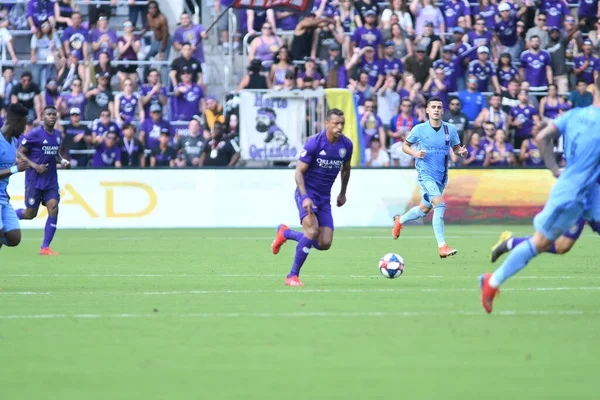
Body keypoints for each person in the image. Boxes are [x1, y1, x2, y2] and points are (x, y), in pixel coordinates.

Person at [480, 80, 600, 313]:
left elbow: (543, 136)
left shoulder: (574, 114)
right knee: (543, 242)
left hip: (589, 191)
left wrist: (555, 170)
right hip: (572, 195)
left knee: (559, 245)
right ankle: (491, 282)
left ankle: (507, 251)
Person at [270, 109, 353, 287]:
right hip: (307, 193)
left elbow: (346, 169)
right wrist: (305, 196)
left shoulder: (346, 145)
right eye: (336, 124)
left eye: (342, 124)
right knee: (312, 231)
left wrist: (343, 192)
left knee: (324, 243)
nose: (339, 127)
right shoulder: (314, 143)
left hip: (324, 198)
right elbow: (299, 172)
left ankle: (285, 233)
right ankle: (292, 276)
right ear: (327, 124)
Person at [391, 96, 468, 258]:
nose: (436, 110)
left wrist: (461, 152)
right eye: (433, 107)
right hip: (425, 175)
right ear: (427, 110)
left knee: (424, 209)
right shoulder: (419, 129)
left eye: (439, 107)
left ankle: (400, 220)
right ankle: (442, 246)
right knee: (439, 205)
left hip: (441, 177)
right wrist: (415, 153)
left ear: (442, 111)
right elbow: (405, 146)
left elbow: (456, 149)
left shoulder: (450, 129)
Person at [15, 106, 70, 256]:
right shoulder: (34, 134)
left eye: (54, 114)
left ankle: (45, 247)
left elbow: (56, 153)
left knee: (54, 206)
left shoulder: (58, 135)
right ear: (43, 117)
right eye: (49, 114)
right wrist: (34, 166)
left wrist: (63, 161)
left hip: (51, 180)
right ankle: (7, 216)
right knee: (30, 213)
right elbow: (19, 152)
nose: (52, 117)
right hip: (34, 179)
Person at [0, 104, 29, 251]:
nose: (24, 130)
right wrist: (15, 169)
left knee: (13, 237)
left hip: (2, 197)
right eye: (23, 125)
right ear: (15, 122)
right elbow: (9, 169)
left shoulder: (13, 141)